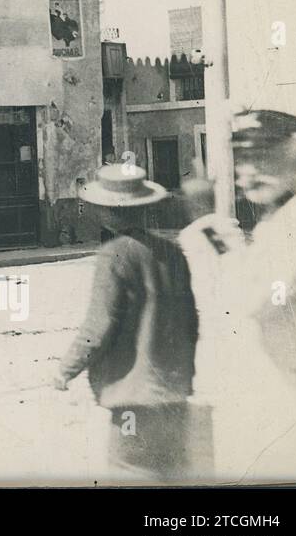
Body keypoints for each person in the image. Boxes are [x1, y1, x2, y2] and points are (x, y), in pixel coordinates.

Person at [178, 108, 296, 481]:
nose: (250, 171)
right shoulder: (280, 216)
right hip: (277, 394)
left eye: (264, 157)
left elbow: (253, 300)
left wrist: (210, 229)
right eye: (244, 159)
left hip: (292, 401)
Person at [53, 164, 199, 482]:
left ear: (107, 212)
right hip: (174, 395)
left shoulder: (114, 254)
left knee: (130, 472)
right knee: (172, 473)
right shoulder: (174, 253)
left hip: (134, 400)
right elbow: (191, 323)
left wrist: (66, 369)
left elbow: (98, 326)